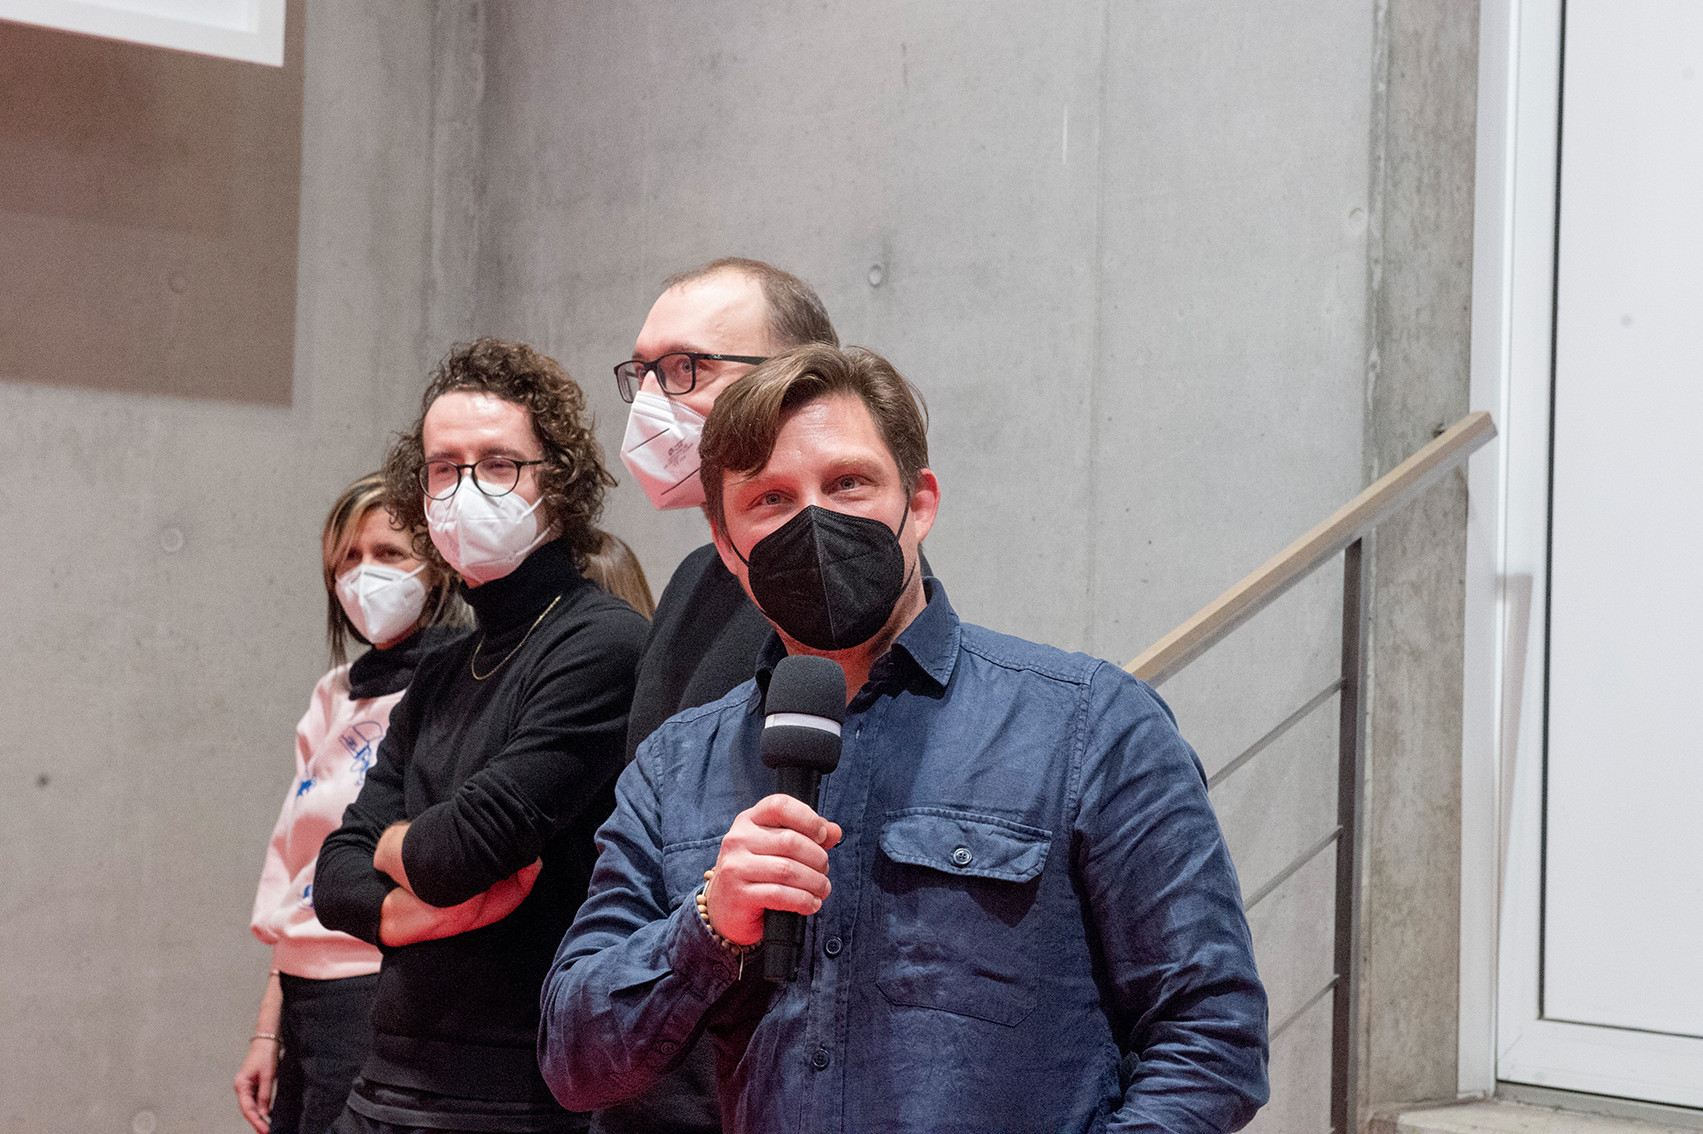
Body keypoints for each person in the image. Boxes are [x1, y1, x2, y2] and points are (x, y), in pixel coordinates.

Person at [540, 344, 1270, 1132]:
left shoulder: (1090, 725)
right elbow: (575, 1063)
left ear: (918, 503)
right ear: (725, 545)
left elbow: (1210, 1036)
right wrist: (708, 926)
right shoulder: (675, 767)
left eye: (848, 484)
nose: (814, 521)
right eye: (771, 498)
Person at [314, 338, 649, 1134]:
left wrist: (392, 850)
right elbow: (332, 877)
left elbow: (455, 854)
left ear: (555, 482)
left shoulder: (602, 642)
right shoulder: (441, 666)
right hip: (387, 1077)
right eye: (443, 468)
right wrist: (407, 908)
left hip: (515, 1089)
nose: (465, 490)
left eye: (498, 465)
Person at [237, 474, 464, 1134]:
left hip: (380, 986)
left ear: (436, 562)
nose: (365, 574)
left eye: (389, 553)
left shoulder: (459, 681)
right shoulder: (334, 693)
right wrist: (267, 1030)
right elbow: (299, 867)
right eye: (348, 559)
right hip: (302, 991)